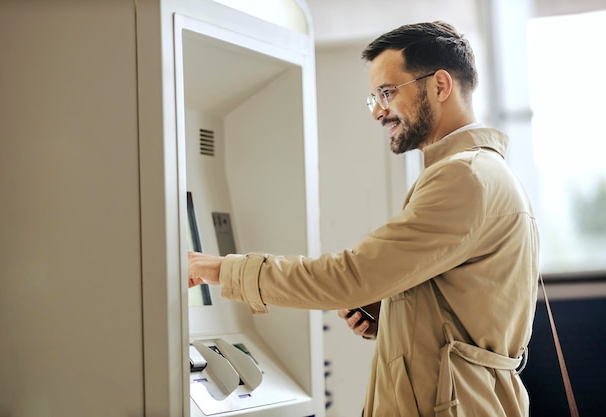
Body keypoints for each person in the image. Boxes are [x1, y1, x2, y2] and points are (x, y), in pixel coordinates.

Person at [188, 21, 539, 417]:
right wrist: (392, 313)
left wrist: (222, 269)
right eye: (373, 97)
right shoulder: (480, 171)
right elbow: (463, 318)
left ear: (440, 86)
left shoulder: (463, 176)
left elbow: (350, 276)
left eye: (387, 93)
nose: (378, 112)